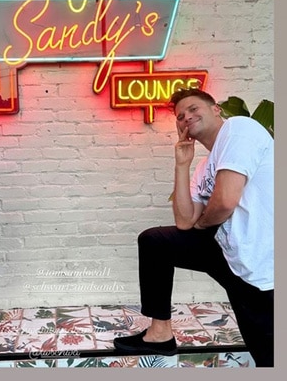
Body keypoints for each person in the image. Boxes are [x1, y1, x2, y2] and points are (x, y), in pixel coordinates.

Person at [114, 88, 274, 367]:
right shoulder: (204, 166)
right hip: (231, 253)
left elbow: (224, 202)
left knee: (269, 356)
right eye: (180, 115)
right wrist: (182, 163)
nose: (186, 116)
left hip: (263, 266)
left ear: (216, 110)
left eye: (193, 109)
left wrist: (203, 222)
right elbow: (184, 221)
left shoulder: (240, 129)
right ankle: (160, 333)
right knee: (156, 241)